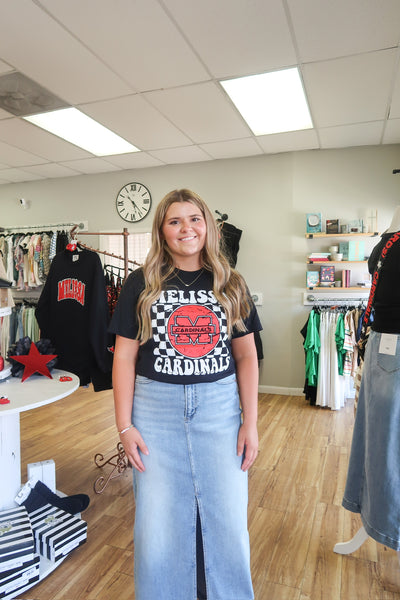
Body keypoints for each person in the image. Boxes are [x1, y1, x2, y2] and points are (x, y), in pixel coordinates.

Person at [109, 189, 261, 600]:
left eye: (194, 218)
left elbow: (246, 356)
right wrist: (124, 426)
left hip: (219, 408)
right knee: (157, 527)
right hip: (155, 410)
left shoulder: (230, 282)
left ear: (208, 225)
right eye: (174, 221)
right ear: (162, 231)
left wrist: (251, 422)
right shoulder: (140, 283)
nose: (186, 228)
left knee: (228, 520)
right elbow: (124, 355)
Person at [342, 206, 400, 552]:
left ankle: (386, 524)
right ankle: (378, 520)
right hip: (382, 344)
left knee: (388, 444)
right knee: (376, 442)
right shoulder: (388, 238)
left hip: (391, 347)